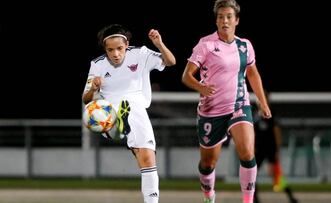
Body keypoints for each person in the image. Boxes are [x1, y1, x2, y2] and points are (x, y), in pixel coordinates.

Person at [181, 0, 271, 202]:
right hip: (211, 111)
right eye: (221, 17)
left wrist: (262, 103)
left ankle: (247, 200)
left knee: (247, 153)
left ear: (236, 20)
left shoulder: (245, 45)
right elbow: (186, 76)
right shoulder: (206, 45)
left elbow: (253, 74)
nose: (225, 21)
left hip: (239, 105)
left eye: (229, 16)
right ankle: (209, 195)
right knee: (208, 163)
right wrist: (201, 87)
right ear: (216, 21)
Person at [82, 24, 176, 203]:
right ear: (105, 49)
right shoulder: (97, 64)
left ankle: (122, 129)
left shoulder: (140, 53)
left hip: (137, 109)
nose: (115, 54)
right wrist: (93, 88)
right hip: (108, 111)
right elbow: (86, 99)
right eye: (110, 50)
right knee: (103, 115)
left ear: (127, 45)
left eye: (119, 48)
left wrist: (159, 44)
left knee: (147, 158)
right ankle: (118, 127)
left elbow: (171, 61)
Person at [253, 92, 298, 203]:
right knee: (252, 174)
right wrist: (252, 146)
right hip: (259, 149)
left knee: (276, 175)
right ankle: (255, 199)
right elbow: (252, 132)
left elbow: (276, 132)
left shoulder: (271, 113)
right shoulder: (255, 115)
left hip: (270, 149)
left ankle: (290, 196)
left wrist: (277, 150)